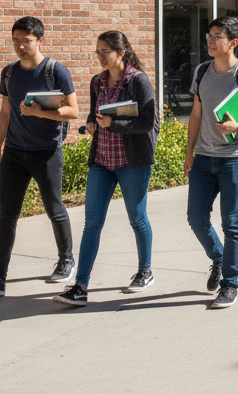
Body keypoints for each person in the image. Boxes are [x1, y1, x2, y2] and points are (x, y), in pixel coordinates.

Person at [0, 17, 79, 298]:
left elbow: (73, 111)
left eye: (26, 41)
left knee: (54, 208)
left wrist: (40, 112)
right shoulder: (9, 73)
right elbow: (5, 113)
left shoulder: (56, 71)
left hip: (46, 152)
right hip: (15, 153)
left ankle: (66, 260)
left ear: (40, 40)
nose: (20, 46)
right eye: (16, 40)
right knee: (7, 215)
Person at [53, 31, 159, 308]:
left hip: (131, 161)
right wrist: (91, 123)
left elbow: (148, 122)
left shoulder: (138, 81)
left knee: (137, 218)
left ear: (121, 53)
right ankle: (81, 286)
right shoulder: (96, 82)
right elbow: (95, 114)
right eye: (97, 51)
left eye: (105, 52)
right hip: (101, 160)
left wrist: (115, 125)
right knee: (92, 224)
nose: (100, 57)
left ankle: (145, 271)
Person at [184, 16, 238, 309]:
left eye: (217, 36)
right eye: (209, 35)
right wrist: (189, 154)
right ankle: (218, 258)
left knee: (232, 223)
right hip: (204, 158)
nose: (210, 40)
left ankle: (230, 284)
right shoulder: (202, 71)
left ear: (233, 42)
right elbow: (196, 116)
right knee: (196, 218)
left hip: (235, 160)